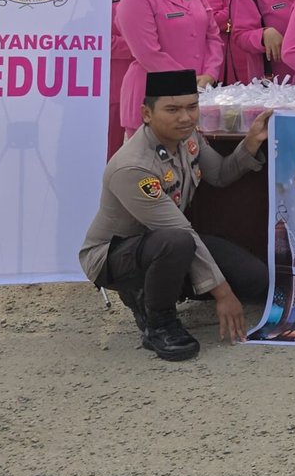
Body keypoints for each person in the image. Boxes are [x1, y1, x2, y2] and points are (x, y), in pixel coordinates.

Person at [79, 69, 272, 361]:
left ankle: (157, 288)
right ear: (146, 113)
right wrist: (222, 294)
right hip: (114, 254)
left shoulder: (188, 137)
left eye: (192, 107)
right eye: (172, 110)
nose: (185, 117)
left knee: (258, 280)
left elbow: (220, 174)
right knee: (177, 242)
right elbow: (180, 231)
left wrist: (252, 142)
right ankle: (160, 324)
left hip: (166, 242)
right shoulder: (133, 166)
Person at [115, 0, 221, 137]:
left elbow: (213, 36)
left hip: (193, 96)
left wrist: (210, 73)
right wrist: (188, 81)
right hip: (152, 100)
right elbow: (148, 54)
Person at [107, 0, 147, 157]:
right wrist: (140, 47)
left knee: (141, 150)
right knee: (108, 151)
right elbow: (97, 41)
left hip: (141, 80)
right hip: (109, 83)